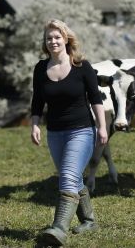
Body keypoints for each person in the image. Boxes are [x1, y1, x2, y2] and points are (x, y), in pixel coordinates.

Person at [30, 19, 108, 246]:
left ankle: (58, 229)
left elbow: (96, 98)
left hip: (82, 130)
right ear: (45, 43)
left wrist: (102, 127)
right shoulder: (40, 69)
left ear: (66, 39)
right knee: (72, 178)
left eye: (57, 37)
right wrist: (35, 124)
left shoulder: (82, 66)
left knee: (67, 176)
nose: (53, 41)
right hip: (55, 133)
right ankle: (89, 221)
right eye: (49, 38)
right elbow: (37, 101)